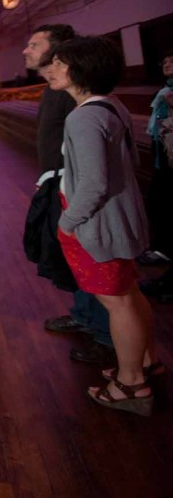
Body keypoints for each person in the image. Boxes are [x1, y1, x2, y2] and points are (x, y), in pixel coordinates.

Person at [48, 36, 159, 415]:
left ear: (79, 70)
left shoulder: (83, 116)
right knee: (129, 292)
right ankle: (143, 361)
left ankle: (131, 386)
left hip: (98, 224)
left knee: (116, 301)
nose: (51, 69)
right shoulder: (111, 105)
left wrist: (68, 221)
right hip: (121, 217)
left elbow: (94, 182)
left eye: (59, 63)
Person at [21, 25, 115, 364]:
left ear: (59, 51)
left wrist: (65, 197)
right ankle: (85, 316)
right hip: (58, 182)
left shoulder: (69, 92)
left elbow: (88, 162)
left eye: (34, 44)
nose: (26, 50)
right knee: (72, 259)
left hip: (72, 187)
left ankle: (105, 336)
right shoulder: (55, 88)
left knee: (90, 261)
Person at [138, 50, 173, 273]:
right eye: (165, 60)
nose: (167, 64)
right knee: (159, 201)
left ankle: (165, 250)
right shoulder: (165, 90)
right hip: (163, 151)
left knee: (164, 202)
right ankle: (162, 247)